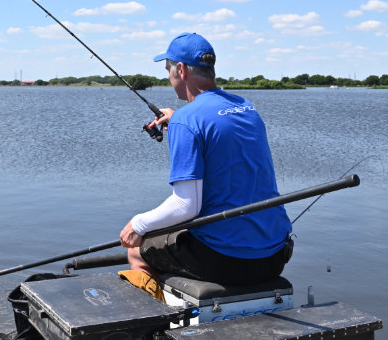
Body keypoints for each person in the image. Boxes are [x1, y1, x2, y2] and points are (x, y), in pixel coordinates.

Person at [119, 32, 293, 286]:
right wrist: (178, 119)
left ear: (181, 70)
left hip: (225, 259)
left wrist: (138, 224)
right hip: (274, 254)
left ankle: (161, 319)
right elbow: (214, 123)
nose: (169, 77)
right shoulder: (246, 108)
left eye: (168, 69)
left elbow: (185, 206)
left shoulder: (186, 121)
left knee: (136, 251)